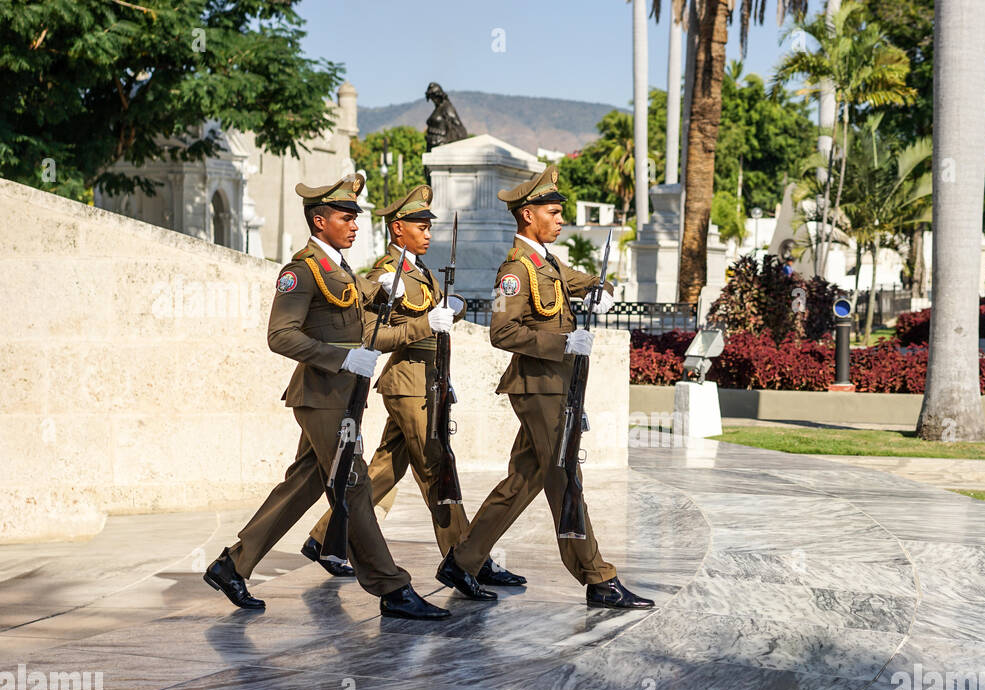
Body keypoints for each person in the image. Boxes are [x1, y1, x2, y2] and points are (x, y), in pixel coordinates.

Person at [203, 174, 447, 621]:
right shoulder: (302, 270)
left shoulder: (342, 270)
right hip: (321, 397)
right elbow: (281, 336)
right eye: (345, 216)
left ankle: (232, 565)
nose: (355, 224)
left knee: (305, 484)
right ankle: (391, 588)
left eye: (355, 216)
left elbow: (367, 332)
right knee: (352, 486)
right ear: (320, 220)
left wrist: (423, 324)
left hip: (343, 398)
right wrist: (340, 360)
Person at [434, 165, 654, 610]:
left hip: (557, 387)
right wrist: (562, 341)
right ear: (528, 215)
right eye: (552, 213)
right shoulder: (514, 271)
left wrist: (600, 288)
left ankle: (464, 560)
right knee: (565, 478)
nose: (559, 220)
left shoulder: (547, 262)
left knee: (524, 480)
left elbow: (581, 281)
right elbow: (502, 331)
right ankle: (598, 578)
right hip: (538, 388)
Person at [300, 184, 525, 589]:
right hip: (407, 383)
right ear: (397, 229)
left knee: (386, 468)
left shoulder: (418, 271)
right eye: (419, 226)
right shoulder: (385, 276)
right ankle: (467, 559)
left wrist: (448, 313)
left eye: (428, 226)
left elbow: (429, 322)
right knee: (437, 469)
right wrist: (426, 324)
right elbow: (372, 335)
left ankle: (323, 538)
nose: (428, 233)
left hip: (428, 379)